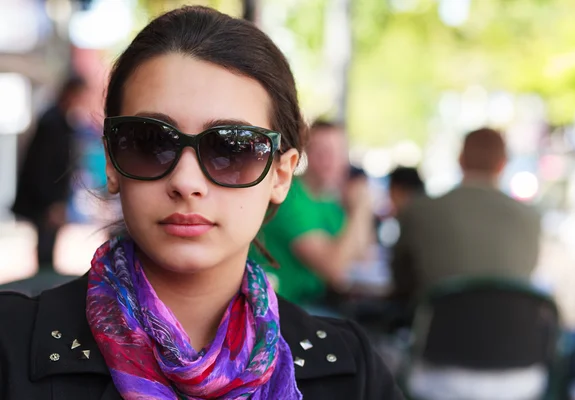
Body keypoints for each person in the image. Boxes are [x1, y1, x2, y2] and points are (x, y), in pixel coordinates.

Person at [0, 6, 403, 400]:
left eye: (233, 148)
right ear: (111, 163)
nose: (187, 182)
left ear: (280, 176)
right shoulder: (10, 346)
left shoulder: (351, 370)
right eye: (150, 142)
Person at [391, 127, 541, 301]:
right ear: (502, 165)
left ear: (460, 160)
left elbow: (401, 282)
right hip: (510, 326)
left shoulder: (420, 210)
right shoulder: (530, 218)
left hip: (439, 325)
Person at [250, 120, 374, 307]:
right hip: (280, 307)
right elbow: (334, 267)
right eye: (322, 152)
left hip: (314, 302)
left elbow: (364, 254)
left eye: (338, 152)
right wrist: (361, 207)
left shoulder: (329, 201)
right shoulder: (289, 197)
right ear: (305, 153)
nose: (330, 160)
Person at [12, 76, 89, 270]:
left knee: (48, 246)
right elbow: (43, 167)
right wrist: (51, 203)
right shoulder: (53, 123)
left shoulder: (59, 121)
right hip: (44, 200)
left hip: (47, 198)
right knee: (46, 248)